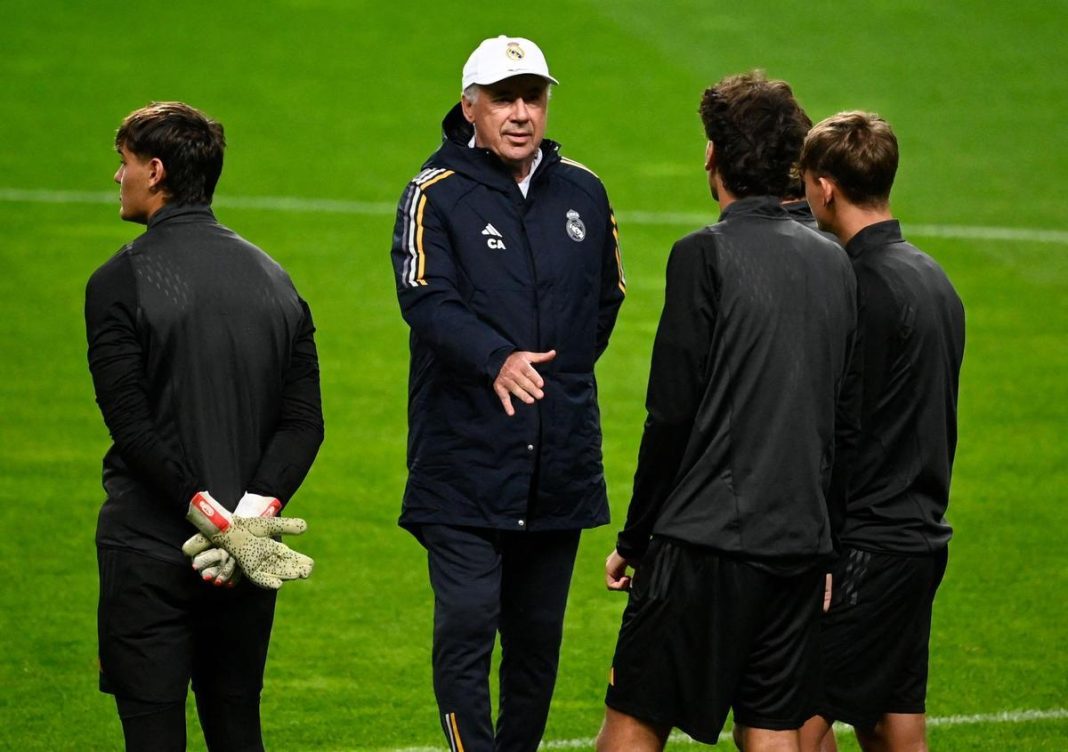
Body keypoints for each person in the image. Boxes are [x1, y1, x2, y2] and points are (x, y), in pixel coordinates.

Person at [596, 71, 857, 752]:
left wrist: (635, 540)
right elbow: (843, 421)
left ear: (713, 156)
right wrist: (828, 544)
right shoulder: (836, 262)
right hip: (798, 548)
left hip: (704, 545)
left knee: (633, 722)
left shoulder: (702, 256)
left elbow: (671, 415)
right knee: (771, 732)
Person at [389, 35, 625, 752]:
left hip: (558, 460)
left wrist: (561, 379)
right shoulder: (434, 193)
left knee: (537, 641)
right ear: (470, 108)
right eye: (503, 99)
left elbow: (606, 299)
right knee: (466, 626)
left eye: (533, 97)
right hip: (464, 461)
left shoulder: (584, 191)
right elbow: (424, 296)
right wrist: (496, 360)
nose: (521, 113)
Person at [85, 101, 323, 751]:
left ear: (156, 172)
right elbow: (304, 423)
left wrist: (212, 520)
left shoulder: (119, 281)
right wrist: (246, 523)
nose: (118, 177)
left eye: (126, 162)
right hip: (243, 561)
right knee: (237, 728)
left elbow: (134, 430)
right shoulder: (277, 281)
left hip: (149, 554)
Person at [798, 112, 965, 752]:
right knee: (893, 728)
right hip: (921, 539)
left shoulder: (859, 285)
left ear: (825, 187)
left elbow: (844, 430)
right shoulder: (934, 278)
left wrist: (825, 550)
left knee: (789, 723)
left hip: (867, 545)